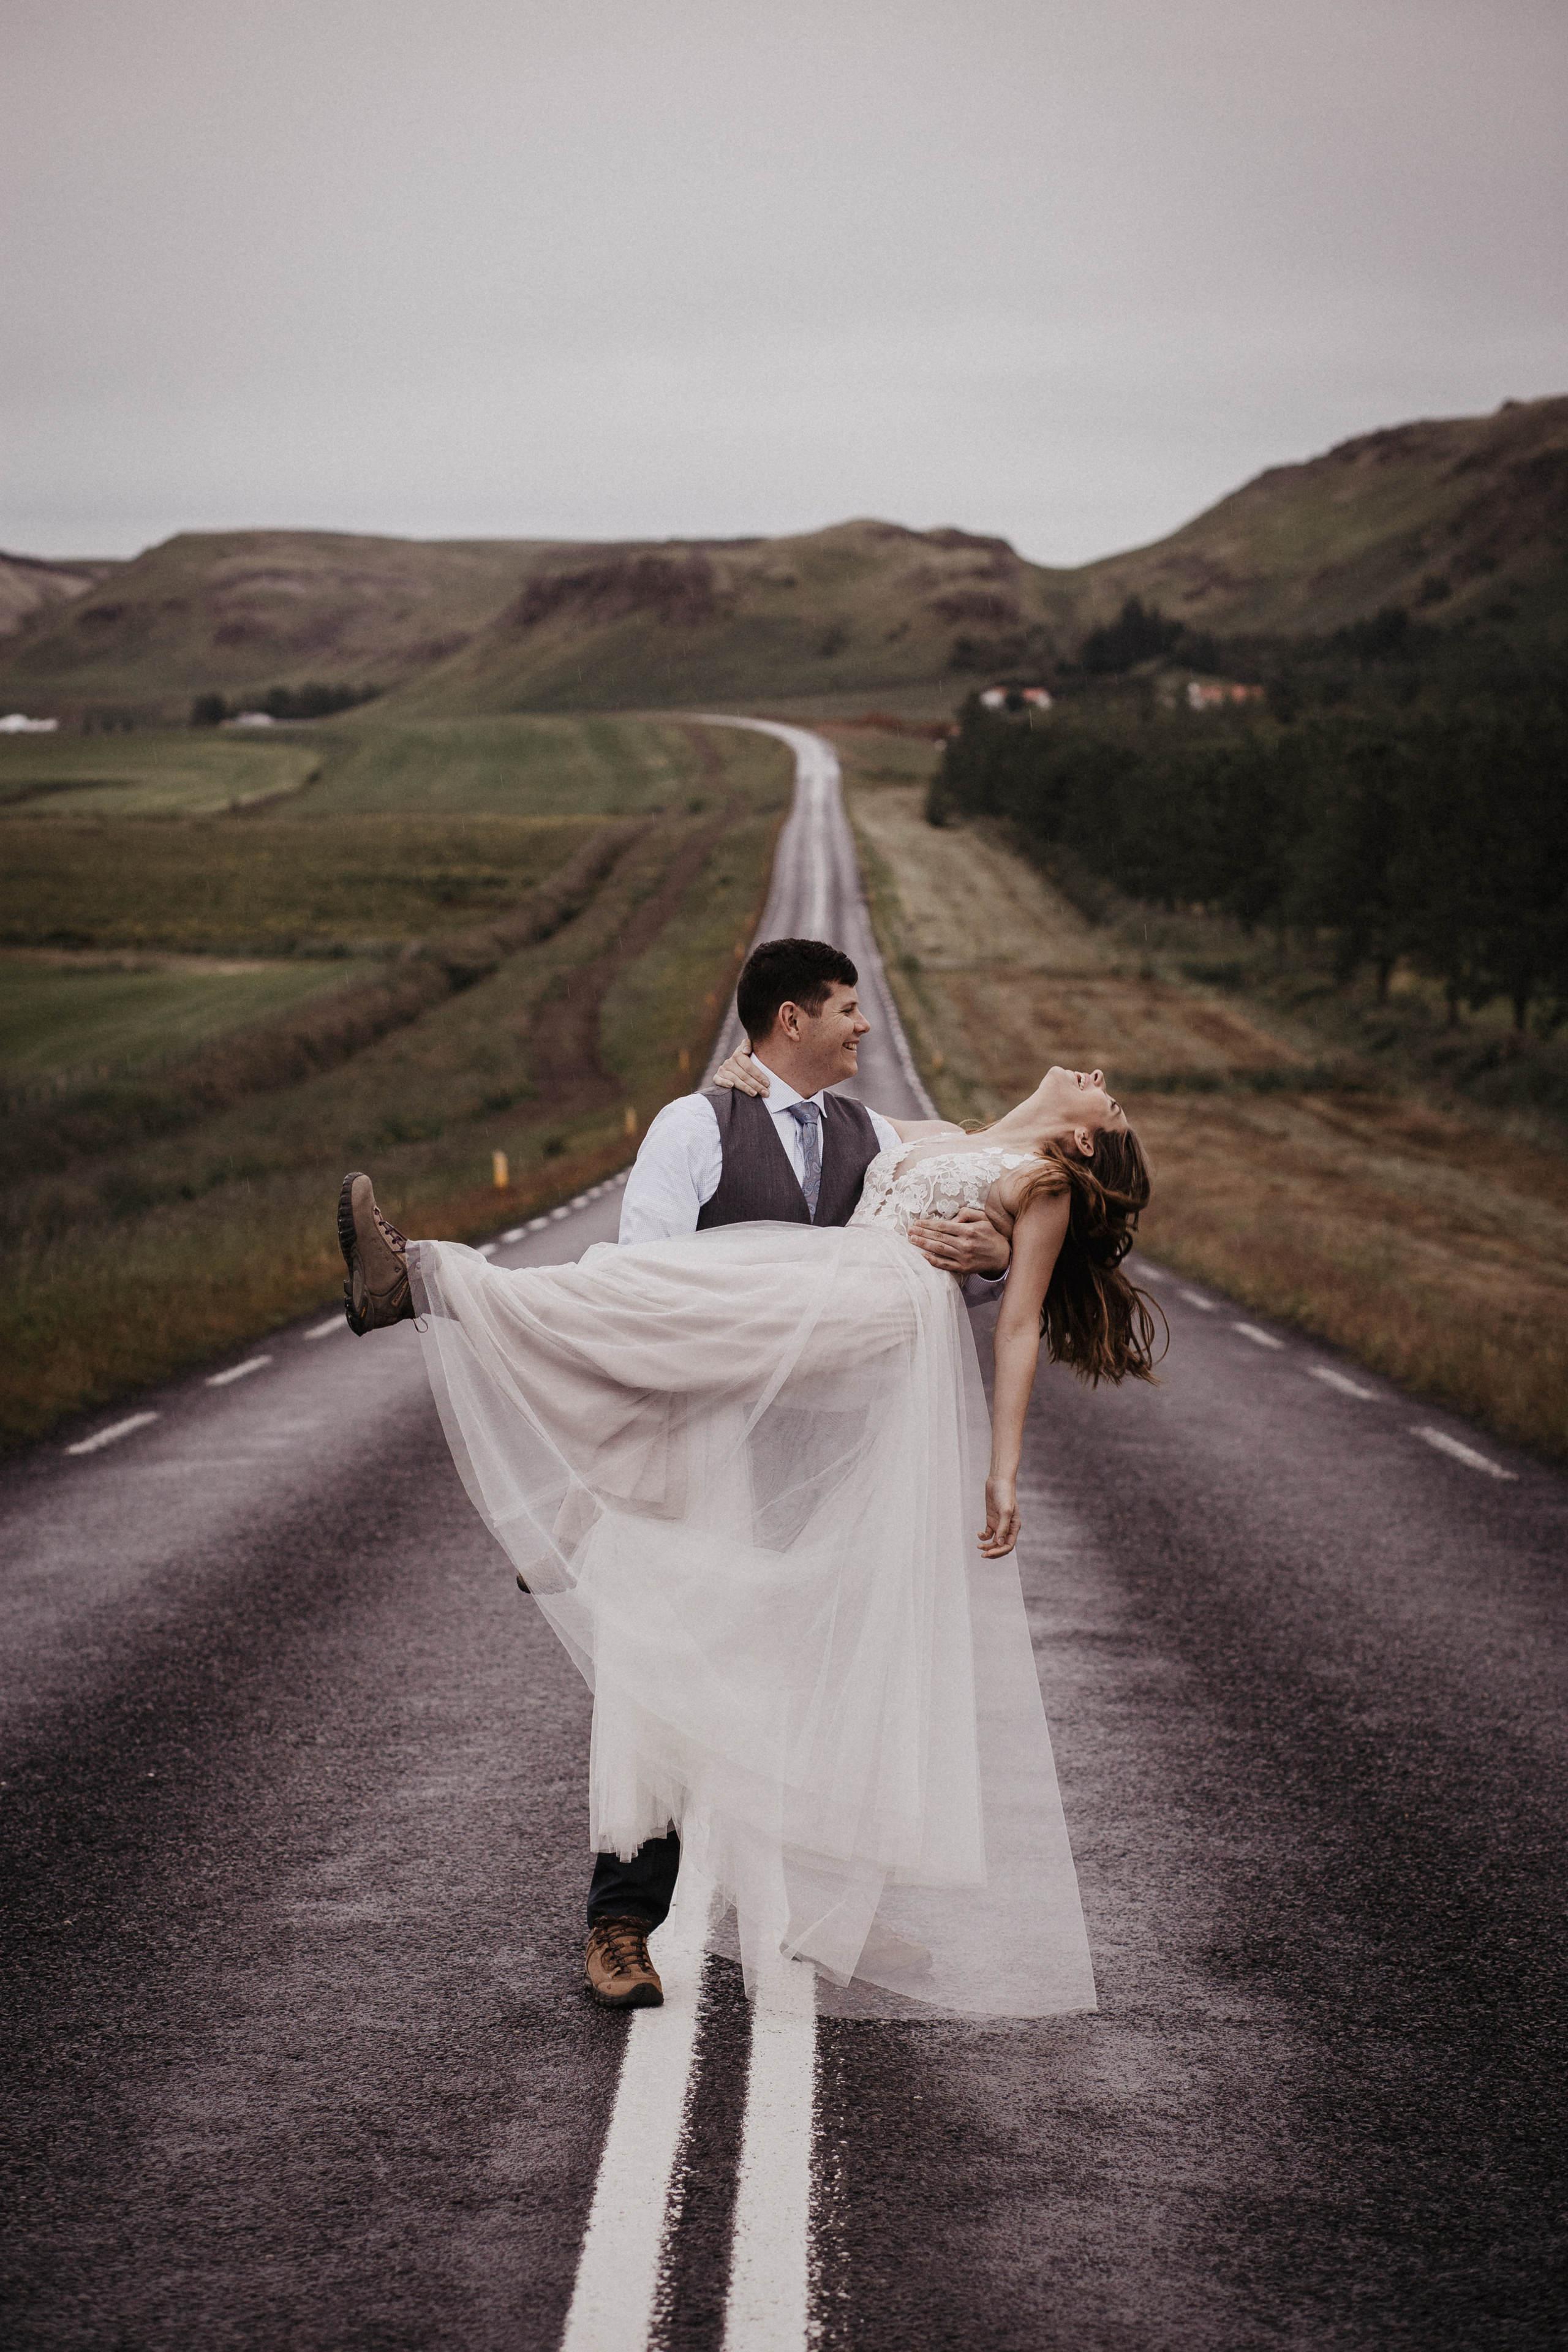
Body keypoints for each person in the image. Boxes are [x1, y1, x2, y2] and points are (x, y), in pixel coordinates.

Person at [336, 940, 1159, 2021]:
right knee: (662, 1680)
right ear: (788, 1021)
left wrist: (994, 1262)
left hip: (821, 1450)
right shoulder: (698, 1125)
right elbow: (647, 1295)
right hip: (701, 1443)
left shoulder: (880, 1137)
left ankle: (830, 1915)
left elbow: (955, 1275)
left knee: (820, 1689)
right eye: (849, 1011)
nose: (865, 1028)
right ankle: (624, 1923)